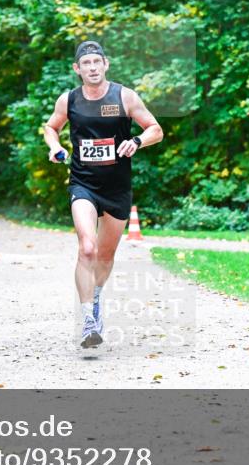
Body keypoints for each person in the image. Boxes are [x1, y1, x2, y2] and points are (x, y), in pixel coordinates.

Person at [43, 41, 163, 349]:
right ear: (77, 69)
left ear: (106, 64)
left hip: (117, 187)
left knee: (106, 255)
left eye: (97, 62)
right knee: (87, 247)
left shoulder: (124, 96)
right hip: (83, 183)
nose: (93, 67)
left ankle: (95, 298)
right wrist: (55, 147)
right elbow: (51, 127)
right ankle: (87, 321)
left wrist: (136, 141)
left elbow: (155, 129)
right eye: (87, 63)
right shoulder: (68, 100)